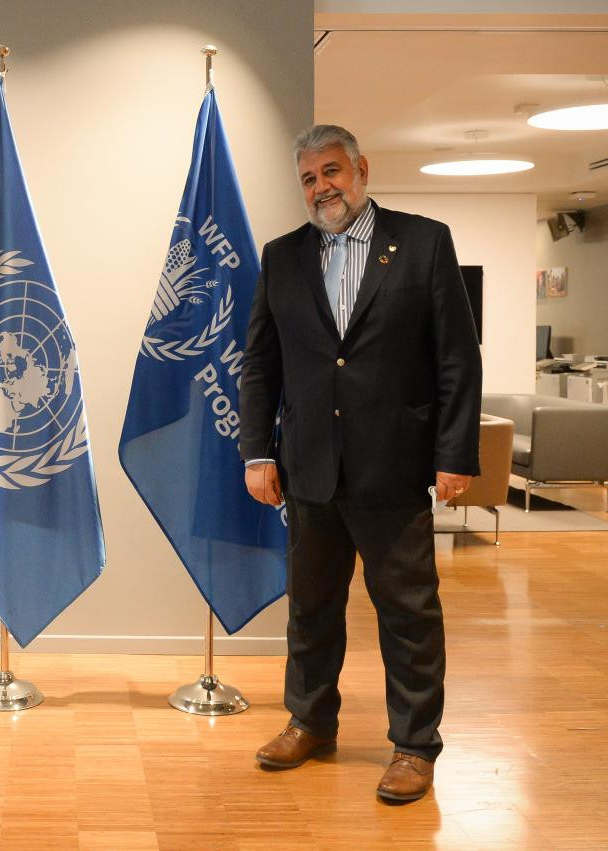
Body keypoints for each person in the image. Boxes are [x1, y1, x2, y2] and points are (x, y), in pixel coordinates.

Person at [239, 125, 481, 802]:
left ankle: (413, 745)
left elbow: (457, 358)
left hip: (394, 470)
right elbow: (260, 364)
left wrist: (454, 453)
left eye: (332, 171)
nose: (322, 187)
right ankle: (309, 721)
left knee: (408, 612)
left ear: (362, 169)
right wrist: (258, 450)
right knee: (311, 608)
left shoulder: (424, 242)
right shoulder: (282, 256)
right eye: (310, 178)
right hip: (307, 468)